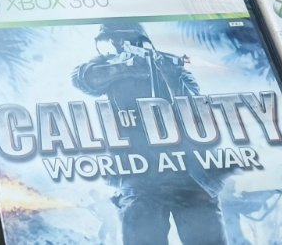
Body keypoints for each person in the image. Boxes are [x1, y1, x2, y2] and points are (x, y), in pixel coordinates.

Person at [72, 22, 226, 245]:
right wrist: (126, 68)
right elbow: (83, 79)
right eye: (113, 40)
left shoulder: (174, 70)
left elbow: (194, 106)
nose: (117, 44)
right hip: (139, 175)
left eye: (124, 39)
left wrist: (170, 75)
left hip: (189, 172)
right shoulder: (107, 67)